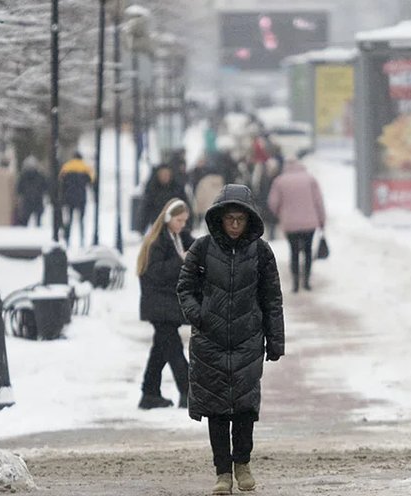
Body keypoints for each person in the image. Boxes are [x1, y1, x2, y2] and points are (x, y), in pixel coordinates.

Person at [176, 184, 285, 495]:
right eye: (230, 219)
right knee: (217, 410)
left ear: (249, 219)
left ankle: (243, 464)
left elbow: (271, 298)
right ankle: (222, 471)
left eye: (240, 219)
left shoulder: (261, 252)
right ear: (220, 219)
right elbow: (185, 287)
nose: (235, 225)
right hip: (210, 340)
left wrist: (275, 341)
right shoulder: (202, 249)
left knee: (244, 408)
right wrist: (200, 315)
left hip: (248, 339)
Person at [135, 199, 194, 410]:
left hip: (167, 303)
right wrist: (182, 261)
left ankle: (149, 393)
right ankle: (188, 391)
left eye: (184, 221)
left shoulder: (177, 237)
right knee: (174, 348)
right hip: (159, 304)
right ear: (168, 219)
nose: (182, 225)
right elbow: (155, 273)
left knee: (161, 349)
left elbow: (196, 246)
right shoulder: (157, 242)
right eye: (179, 220)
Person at [267, 158, 326, 292]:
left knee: (293, 251)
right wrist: (322, 220)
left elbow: (272, 202)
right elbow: (319, 202)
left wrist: (279, 213)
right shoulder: (310, 179)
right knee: (308, 251)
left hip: (290, 223)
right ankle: (306, 281)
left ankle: (295, 283)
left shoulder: (280, 181)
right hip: (309, 223)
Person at [58, 151, 96, 247]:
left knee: (69, 219)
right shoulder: (85, 167)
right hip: (81, 197)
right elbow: (91, 182)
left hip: (69, 197)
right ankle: (82, 240)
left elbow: (61, 182)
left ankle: (67, 239)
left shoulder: (66, 167)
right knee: (81, 220)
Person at [141, 164, 190, 233]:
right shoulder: (153, 189)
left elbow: (185, 206)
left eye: (167, 174)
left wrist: (188, 224)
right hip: (158, 225)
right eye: (162, 174)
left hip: (176, 225)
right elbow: (146, 208)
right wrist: (142, 227)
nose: (165, 177)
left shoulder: (177, 188)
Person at [16, 155, 48, 227]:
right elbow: (45, 187)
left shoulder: (23, 176)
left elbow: (19, 188)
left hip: (27, 199)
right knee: (38, 220)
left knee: (25, 220)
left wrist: (20, 196)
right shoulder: (40, 175)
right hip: (38, 199)